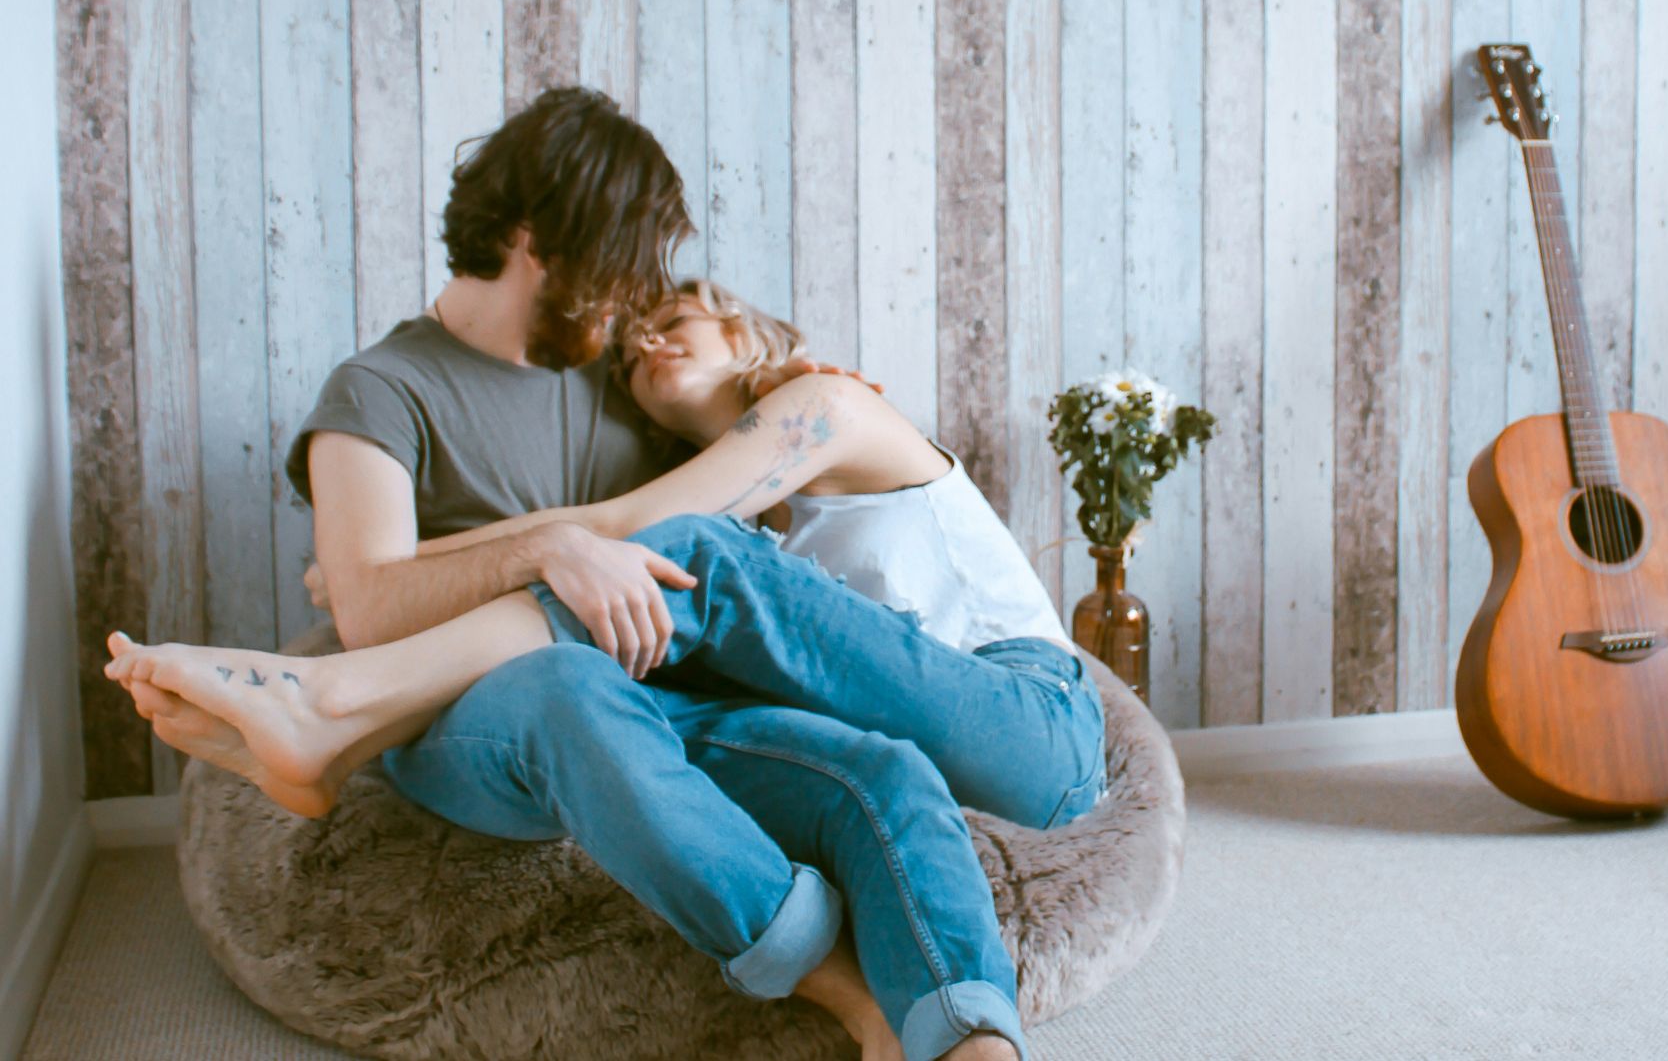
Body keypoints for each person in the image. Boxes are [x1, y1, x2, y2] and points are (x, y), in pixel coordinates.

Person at [104, 87, 1080, 1061]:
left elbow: (704, 514)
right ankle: (841, 991)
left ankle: (972, 1042)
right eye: (626, 264)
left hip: (672, 695)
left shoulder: (630, 380)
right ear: (536, 237)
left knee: (881, 769)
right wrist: (539, 552)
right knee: (567, 680)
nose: (640, 301)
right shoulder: (378, 393)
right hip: (498, 714)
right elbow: (363, 606)